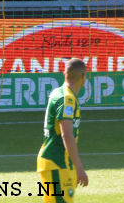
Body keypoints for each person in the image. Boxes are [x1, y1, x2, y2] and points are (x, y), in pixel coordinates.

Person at [37, 58, 89, 203]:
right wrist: (79, 167)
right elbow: (66, 134)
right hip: (58, 162)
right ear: (84, 76)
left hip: (56, 163)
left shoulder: (60, 93)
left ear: (64, 73)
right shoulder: (67, 98)